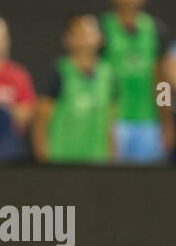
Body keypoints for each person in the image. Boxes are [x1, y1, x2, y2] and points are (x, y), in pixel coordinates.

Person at [101, 0, 173, 163]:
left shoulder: (156, 29)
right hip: (113, 122)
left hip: (148, 121)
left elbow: (162, 80)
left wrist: (166, 120)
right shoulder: (101, 29)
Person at [33, 15, 116, 164]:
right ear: (67, 39)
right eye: (78, 33)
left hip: (98, 162)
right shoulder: (59, 73)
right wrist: (43, 161)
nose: (85, 38)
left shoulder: (108, 74)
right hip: (62, 163)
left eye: (90, 32)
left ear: (100, 38)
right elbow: (41, 122)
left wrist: (113, 158)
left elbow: (111, 123)